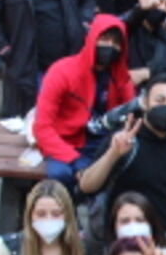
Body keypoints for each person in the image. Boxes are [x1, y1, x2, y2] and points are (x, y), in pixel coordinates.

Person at [33, 14, 135, 189]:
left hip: (104, 143)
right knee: (61, 175)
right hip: (64, 142)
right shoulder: (62, 71)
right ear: (92, 38)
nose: (110, 46)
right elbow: (42, 127)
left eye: (116, 43)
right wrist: (74, 159)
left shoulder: (121, 78)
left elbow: (131, 116)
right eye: (104, 39)